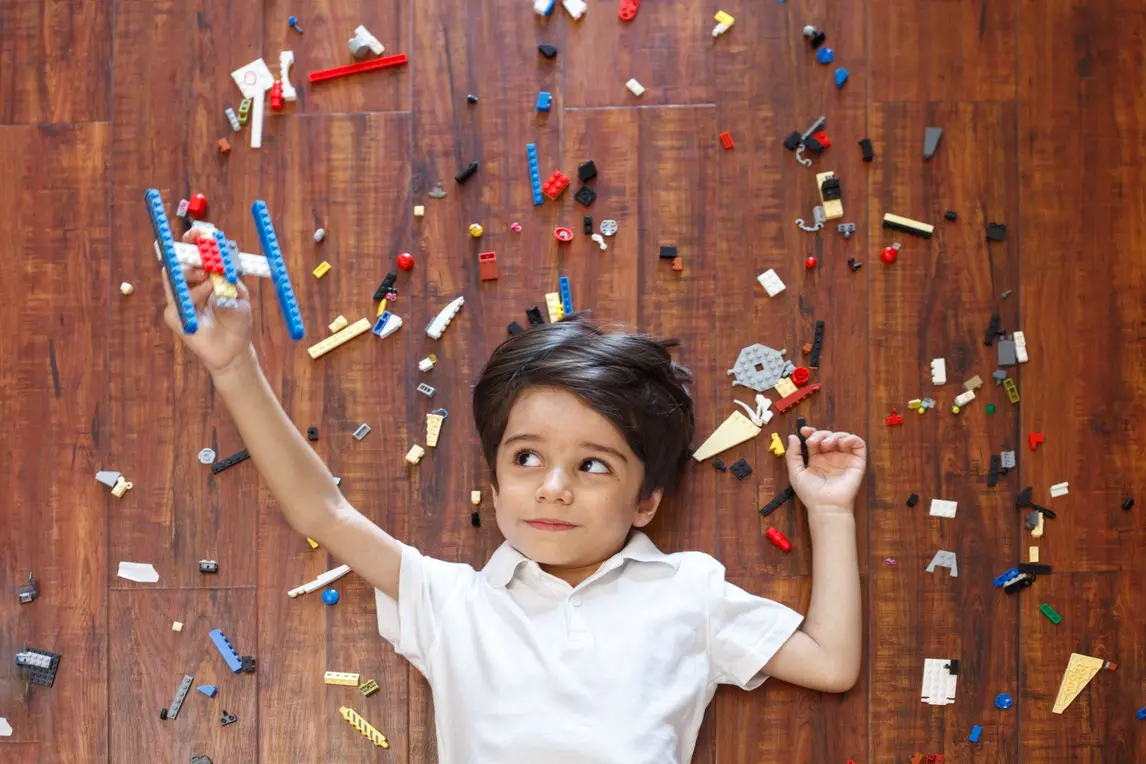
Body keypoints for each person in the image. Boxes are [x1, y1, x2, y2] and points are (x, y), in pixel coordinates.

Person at [162, 229, 867, 764]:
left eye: (594, 466)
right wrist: (234, 365)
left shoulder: (688, 592)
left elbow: (830, 664)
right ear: (495, 481)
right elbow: (323, 511)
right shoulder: (452, 601)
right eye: (527, 457)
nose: (554, 488)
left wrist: (829, 513)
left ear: (646, 501)